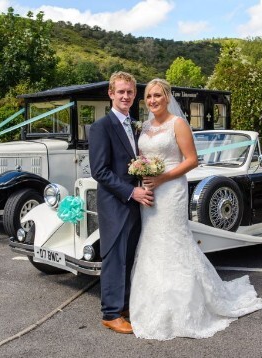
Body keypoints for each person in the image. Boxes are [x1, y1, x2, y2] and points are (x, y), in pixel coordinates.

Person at [129, 78, 262, 340]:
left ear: (168, 97)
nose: (153, 100)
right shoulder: (144, 126)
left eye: (158, 95)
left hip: (171, 191)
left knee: (174, 242)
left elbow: (192, 160)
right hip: (149, 193)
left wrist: (162, 178)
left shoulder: (177, 124)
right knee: (152, 243)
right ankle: (154, 299)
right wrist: (142, 172)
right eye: (149, 97)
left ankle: (184, 306)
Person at [89, 72, 154, 334]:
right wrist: (131, 192)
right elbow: (100, 171)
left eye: (129, 92)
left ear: (134, 95)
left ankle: (124, 305)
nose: (125, 96)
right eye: (120, 92)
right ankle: (111, 313)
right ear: (111, 94)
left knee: (128, 255)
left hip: (135, 203)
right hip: (116, 202)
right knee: (114, 258)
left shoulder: (134, 124)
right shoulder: (101, 127)